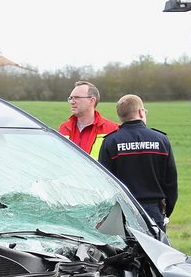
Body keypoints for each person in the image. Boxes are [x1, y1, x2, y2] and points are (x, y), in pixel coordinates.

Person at [97, 94, 178, 230]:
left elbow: (105, 182)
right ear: (141, 112)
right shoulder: (161, 140)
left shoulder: (111, 142)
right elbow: (171, 182)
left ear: (120, 116)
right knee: (155, 250)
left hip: (123, 209)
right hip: (153, 209)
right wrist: (165, 211)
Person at [59, 80, 119, 158]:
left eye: (77, 98)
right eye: (71, 98)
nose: (72, 102)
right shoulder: (64, 128)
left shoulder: (113, 129)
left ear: (92, 100)